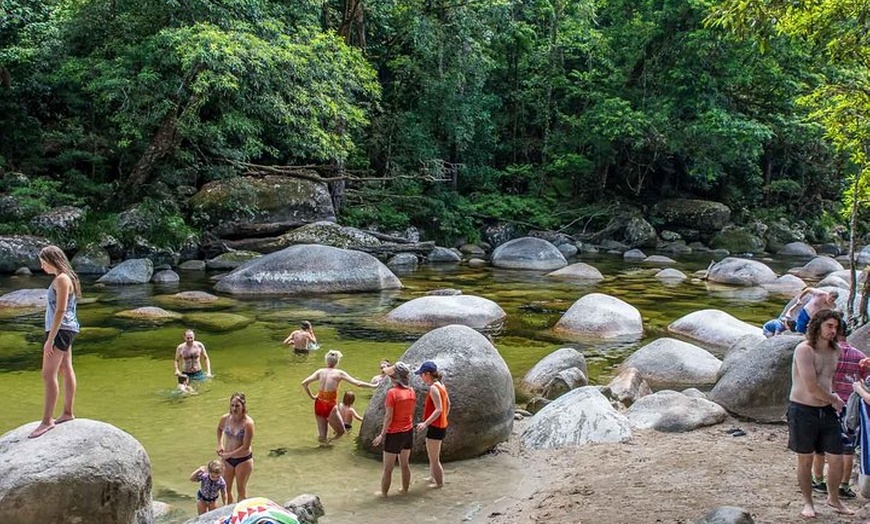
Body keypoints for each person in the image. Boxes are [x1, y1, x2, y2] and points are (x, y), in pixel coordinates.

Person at [787, 309, 854, 518]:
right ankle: (808, 502)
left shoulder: (835, 350)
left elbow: (828, 381)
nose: (833, 331)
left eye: (836, 327)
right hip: (802, 410)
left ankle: (833, 498)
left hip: (826, 411)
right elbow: (811, 386)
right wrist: (834, 399)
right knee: (805, 459)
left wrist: (835, 397)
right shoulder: (804, 350)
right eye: (829, 326)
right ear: (818, 325)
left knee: (836, 458)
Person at [810, 322, 867, 499]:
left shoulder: (826, 353)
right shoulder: (859, 356)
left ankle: (818, 481)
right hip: (849, 408)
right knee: (847, 447)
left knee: (819, 445)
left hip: (826, 403)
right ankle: (843, 485)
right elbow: (865, 381)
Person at [30, 245, 81, 439]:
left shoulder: (61, 279)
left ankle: (47, 420)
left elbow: (60, 310)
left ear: (52, 260)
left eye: (43, 263)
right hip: (67, 328)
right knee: (66, 369)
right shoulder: (68, 278)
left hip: (60, 330)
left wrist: (50, 340)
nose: (42, 267)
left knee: (47, 374)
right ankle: (67, 412)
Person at [301, 350, 377, 445]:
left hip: (318, 403)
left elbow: (304, 383)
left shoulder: (320, 372)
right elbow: (358, 383)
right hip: (330, 405)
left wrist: (312, 396)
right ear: (337, 362)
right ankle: (329, 442)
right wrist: (374, 386)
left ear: (326, 361)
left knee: (322, 435)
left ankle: (322, 448)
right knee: (341, 432)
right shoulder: (339, 373)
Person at [372, 362, 416, 497]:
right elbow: (411, 413)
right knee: (405, 464)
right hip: (408, 432)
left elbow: (388, 416)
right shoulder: (411, 391)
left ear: (395, 378)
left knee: (388, 469)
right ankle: (405, 490)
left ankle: (384, 493)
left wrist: (381, 435)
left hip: (394, 434)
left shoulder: (392, 393)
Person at [415, 360, 450, 489]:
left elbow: (439, 409)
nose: (420, 377)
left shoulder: (434, 388)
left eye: (422, 374)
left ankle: (439, 484)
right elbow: (448, 405)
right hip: (440, 425)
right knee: (432, 455)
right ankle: (432, 477)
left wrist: (425, 423)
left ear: (428, 374)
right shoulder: (441, 385)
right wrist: (444, 419)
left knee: (435, 459)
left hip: (436, 427)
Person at [216, 392, 255, 504]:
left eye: (237, 406)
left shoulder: (248, 423)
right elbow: (219, 429)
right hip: (227, 460)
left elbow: (245, 446)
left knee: (241, 490)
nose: (234, 408)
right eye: (232, 405)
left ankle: (241, 516)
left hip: (243, 460)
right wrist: (220, 444)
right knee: (225, 489)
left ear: (243, 406)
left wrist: (229, 454)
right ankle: (229, 514)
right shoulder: (225, 418)